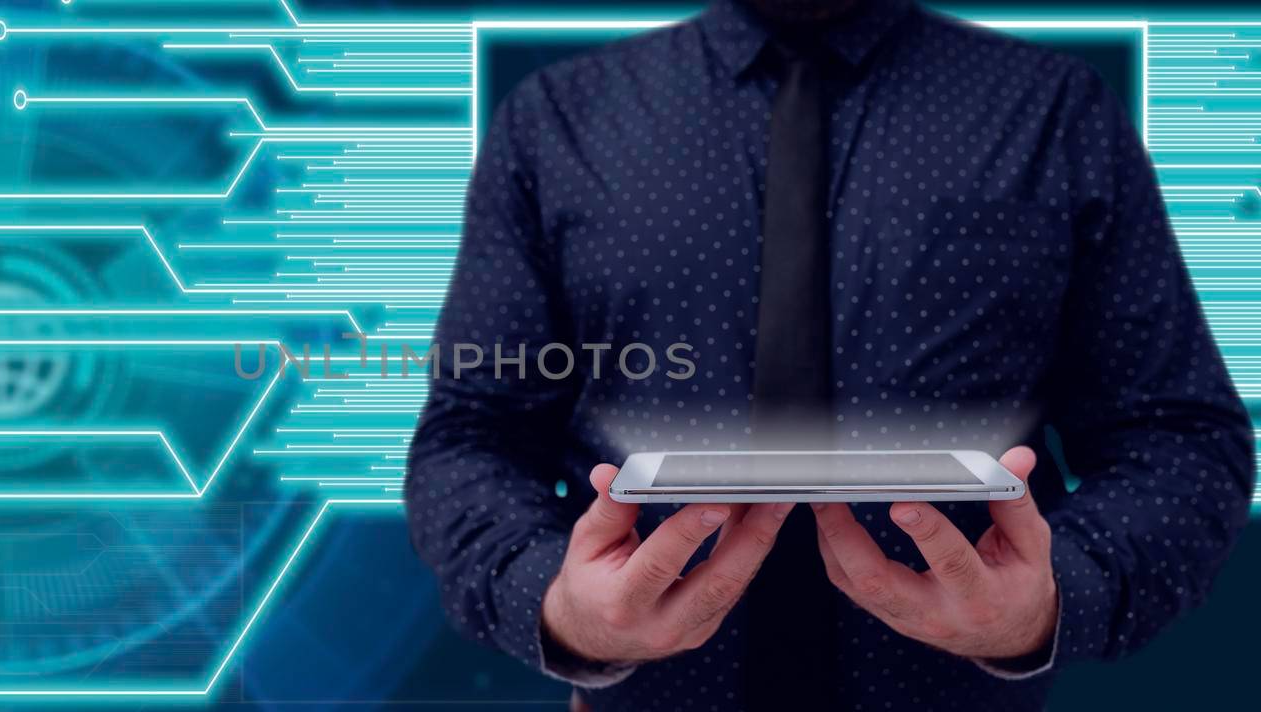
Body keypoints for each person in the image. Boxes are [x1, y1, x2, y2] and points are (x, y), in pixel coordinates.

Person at [404, 0, 1256, 709]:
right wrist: (555, 605)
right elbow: (470, 434)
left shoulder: (1056, 113)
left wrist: (1054, 596)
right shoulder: (557, 120)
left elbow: (1178, 435)